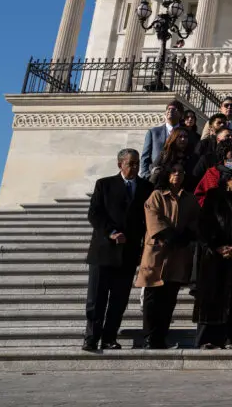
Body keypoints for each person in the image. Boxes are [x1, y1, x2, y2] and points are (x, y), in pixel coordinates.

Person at [83, 148, 153, 352]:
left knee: (119, 300)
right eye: (131, 163)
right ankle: (91, 338)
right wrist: (111, 232)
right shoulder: (104, 184)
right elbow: (94, 214)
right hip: (103, 251)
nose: (135, 167)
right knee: (96, 299)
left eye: (137, 163)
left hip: (128, 253)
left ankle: (109, 337)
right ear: (120, 164)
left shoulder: (146, 187)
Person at [136, 163, 199, 349]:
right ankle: (149, 337)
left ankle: (161, 337)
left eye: (180, 172)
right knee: (152, 298)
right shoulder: (156, 195)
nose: (177, 175)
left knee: (169, 299)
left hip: (177, 255)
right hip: (157, 252)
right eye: (173, 171)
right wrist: (170, 235)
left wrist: (186, 235)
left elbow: (195, 221)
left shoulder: (190, 199)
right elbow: (153, 219)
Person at [194, 159, 232, 349]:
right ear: (226, 179)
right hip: (214, 258)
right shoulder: (214, 196)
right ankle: (207, 339)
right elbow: (204, 225)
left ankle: (229, 338)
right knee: (212, 299)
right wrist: (217, 247)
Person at [141, 100, 184, 178]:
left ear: (181, 114)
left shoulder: (186, 134)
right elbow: (145, 157)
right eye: (168, 109)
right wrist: (145, 175)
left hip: (177, 177)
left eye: (174, 109)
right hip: (156, 176)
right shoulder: (153, 132)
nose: (170, 110)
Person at [149, 123, 198, 188]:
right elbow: (153, 168)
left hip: (185, 189)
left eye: (185, 137)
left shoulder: (192, 156)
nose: (183, 139)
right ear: (174, 138)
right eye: (180, 137)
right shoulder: (165, 154)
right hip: (163, 188)